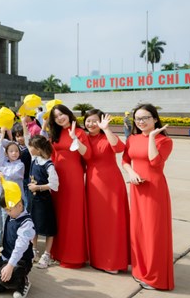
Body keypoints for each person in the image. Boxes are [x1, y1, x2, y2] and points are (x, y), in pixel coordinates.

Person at [122, 103, 173, 290]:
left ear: (155, 119)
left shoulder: (165, 141)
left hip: (154, 190)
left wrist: (151, 137)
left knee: (153, 233)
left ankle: (155, 277)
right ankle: (140, 271)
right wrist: (131, 173)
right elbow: (125, 160)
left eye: (145, 118)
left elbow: (155, 162)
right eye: (138, 119)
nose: (141, 121)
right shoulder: (132, 138)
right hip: (137, 189)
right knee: (139, 230)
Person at [83, 109, 130, 274]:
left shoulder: (107, 136)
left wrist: (106, 129)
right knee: (97, 222)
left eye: (95, 121)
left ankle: (114, 262)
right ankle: (99, 259)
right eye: (88, 121)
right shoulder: (83, 138)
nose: (91, 124)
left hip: (111, 183)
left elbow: (119, 148)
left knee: (113, 221)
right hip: (93, 183)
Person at [47, 104, 91, 268]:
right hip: (57, 177)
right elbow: (52, 156)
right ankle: (57, 253)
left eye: (61, 114)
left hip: (73, 177)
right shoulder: (55, 133)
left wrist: (75, 139)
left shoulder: (79, 132)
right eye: (56, 117)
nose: (59, 118)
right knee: (59, 214)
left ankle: (73, 256)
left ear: (68, 113)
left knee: (73, 215)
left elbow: (88, 154)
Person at [0, 186, 35, 298]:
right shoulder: (12, 215)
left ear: (20, 205)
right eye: (5, 210)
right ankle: (11, 278)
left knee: (8, 278)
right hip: (6, 256)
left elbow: (20, 247)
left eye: (9, 210)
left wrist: (10, 265)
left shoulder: (27, 223)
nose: (7, 213)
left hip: (21, 259)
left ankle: (22, 282)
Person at [25, 135, 58, 269]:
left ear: (38, 149)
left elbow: (54, 185)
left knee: (48, 227)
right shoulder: (35, 159)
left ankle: (46, 254)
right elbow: (27, 137)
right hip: (33, 199)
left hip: (43, 200)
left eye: (32, 146)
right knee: (33, 225)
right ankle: (34, 251)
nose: (29, 148)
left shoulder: (49, 165)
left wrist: (38, 187)